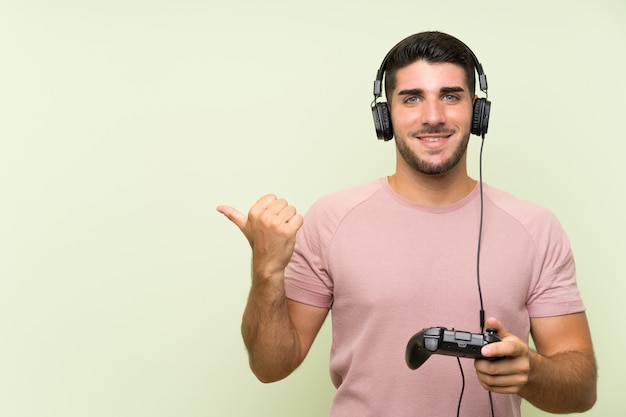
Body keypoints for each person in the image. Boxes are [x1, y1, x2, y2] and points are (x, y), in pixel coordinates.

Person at [217, 31, 597, 417]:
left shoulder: (535, 227)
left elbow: (581, 392)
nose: (433, 117)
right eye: (412, 98)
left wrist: (530, 372)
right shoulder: (331, 218)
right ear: (385, 116)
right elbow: (270, 366)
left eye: (450, 96)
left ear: (478, 111)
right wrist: (266, 269)